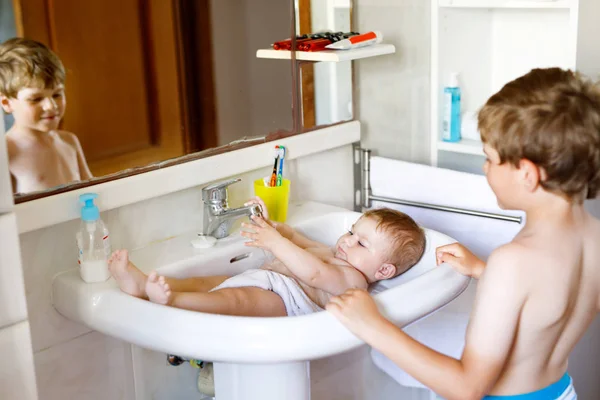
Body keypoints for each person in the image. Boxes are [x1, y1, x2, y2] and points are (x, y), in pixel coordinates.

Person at [327, 68, 600, 400]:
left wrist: (373, 326)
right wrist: (482, 271)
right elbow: (549, 305)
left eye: (490, 159)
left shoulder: (513, 262)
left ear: (526, 174)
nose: (485, 168)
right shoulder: (592, 236)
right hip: (560, 391)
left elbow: (467, 387)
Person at [109, 197, 426, 317]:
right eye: (351, 231)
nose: (348, 240)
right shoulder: (337, 252)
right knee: (207, 281)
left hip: (286, 302)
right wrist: (276, 228)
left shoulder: (354, 280)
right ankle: (140, 285)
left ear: (383, 270)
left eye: (361, 243)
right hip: (267, 279)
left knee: (235, 302)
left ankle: (172, 301)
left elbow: (313, 275)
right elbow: (301, 241)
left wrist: (275, 243)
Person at [0, 37, 92, 194]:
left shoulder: (69, 141)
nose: (51, 106)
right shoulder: (6, 154)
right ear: (7, 103)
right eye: (36, 99)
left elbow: (95, 188)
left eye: (57, 94)